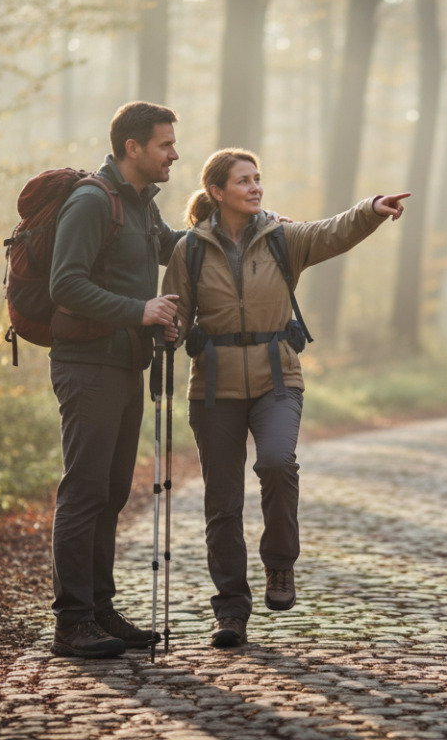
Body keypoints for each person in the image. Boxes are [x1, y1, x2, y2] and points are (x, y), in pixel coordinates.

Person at [161, 148, 408, 648]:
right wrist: (166, 329)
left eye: (258, 179)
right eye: (243, 181)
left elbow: (330, 232)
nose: (255, 188)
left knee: (276, 462)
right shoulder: (188, 250)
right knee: (222, 503)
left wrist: (371, 208)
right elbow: (175, 311)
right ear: (216, 192)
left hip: (278, 380)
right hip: (212, 388)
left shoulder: (282, 239)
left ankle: (279, 565)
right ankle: (230, 611)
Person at [47, 101, 186, 658]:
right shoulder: (91, 202)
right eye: (164, 144)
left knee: (110, 494)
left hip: (126, 366)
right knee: (83, 492)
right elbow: (65, 284)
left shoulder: (142, 207)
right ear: (133, 148)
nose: (174, 153)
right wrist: (141, 311)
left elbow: (180, 245)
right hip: (87, 366)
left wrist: (252, 226)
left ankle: (100, 611)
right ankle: (72, 622)